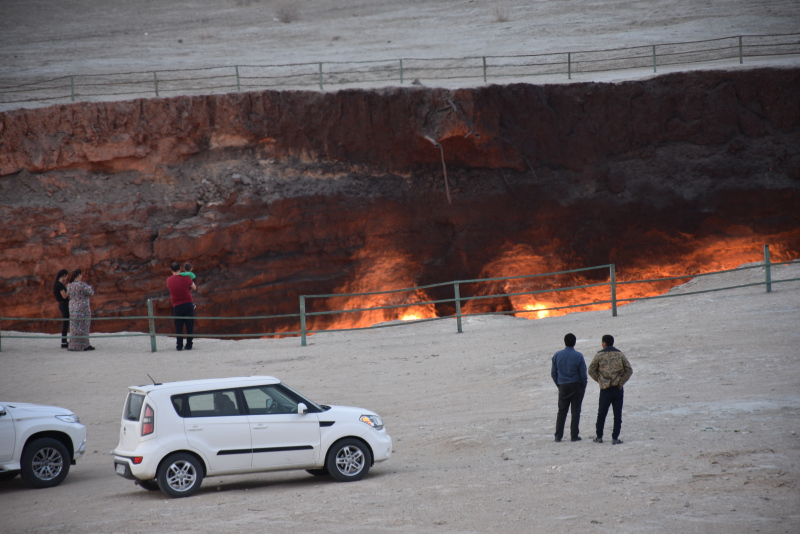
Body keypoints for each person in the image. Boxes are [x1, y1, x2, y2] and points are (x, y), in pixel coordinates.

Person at [589, 334, 633, 444]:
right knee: (617, 414)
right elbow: (629, 370)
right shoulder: (619, 354)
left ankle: (599, 437)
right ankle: (615, 438)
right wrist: (621, 382)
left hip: (605, 389)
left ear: (604, 343)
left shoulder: (599, 355)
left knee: (602, 414)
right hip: (617, 389)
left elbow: (591, 370)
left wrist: (600, 381)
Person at [551, 333, 588, 442]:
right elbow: (583, 374)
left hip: (563, 386)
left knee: (562, 411)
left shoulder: (557, 355)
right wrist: (583, 386)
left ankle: (558, 436)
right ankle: (574, 435)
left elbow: (553, 373)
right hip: (576, 386)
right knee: (575, 411)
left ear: (565, 342)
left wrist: (559, 385)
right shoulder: (579, 356)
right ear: (574, 342)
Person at [167, 261, 196, 351]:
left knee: (179, 326)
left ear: (171, 270)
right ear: (180, 269)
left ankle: (179, 346)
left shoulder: (169, 280)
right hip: (188, 303)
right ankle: (189, 345)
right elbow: (194, 287)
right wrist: (188, 290)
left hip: (177, 305)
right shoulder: (186, 278)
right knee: (189, 325)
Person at [66, 269, 95, 351]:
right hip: (83, 308)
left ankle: (73, 345)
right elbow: (91, 293)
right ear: (79, 275)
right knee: (84, 326)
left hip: (72, 308)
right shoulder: (82, 285)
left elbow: (68, 295)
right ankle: (84, 345)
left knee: (74, 326)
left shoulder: (69, 285)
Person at [53, 269, 70, 349]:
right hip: (64, 304)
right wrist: (69, 290)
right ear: (64, 275)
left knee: (66, 323)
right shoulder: (59, 285)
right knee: (66, 323)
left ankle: (64, 341)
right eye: (66, 276)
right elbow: (64, 296)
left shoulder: (57, 284)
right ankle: (64, 341)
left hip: (62, 304)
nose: (67, 278)